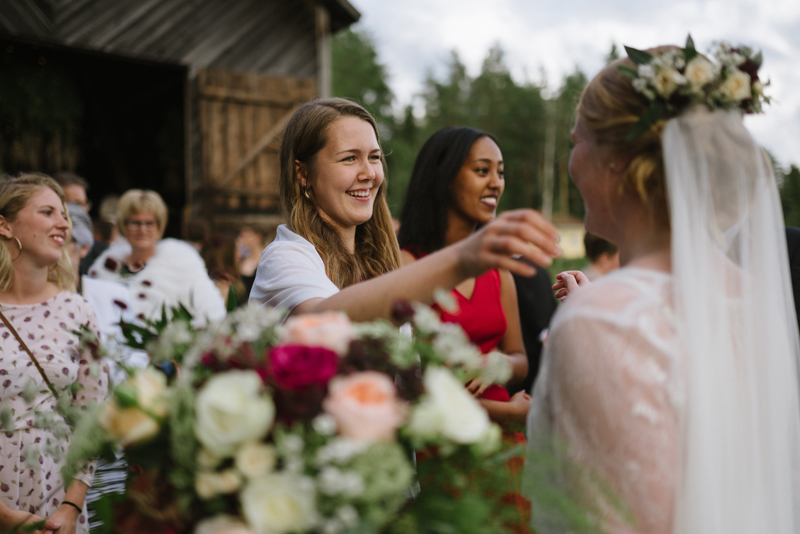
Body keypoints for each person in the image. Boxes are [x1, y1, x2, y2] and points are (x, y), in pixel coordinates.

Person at [524, 42, 800, 533]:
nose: (572, 161)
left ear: (616, 160)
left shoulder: (601, 320)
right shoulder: (755, 302)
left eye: (576, 141)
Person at [250, 98, 561, 323]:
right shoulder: (287, 256)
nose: (369, 173)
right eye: (349, 158)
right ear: (302, 173)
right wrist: (461, 258)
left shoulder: (381, 263)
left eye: (373, 157)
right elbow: (325, 321)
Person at [398, 126, 530, 424]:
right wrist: (508, 413)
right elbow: (411, 386)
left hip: (503, 446)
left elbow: (520, 359)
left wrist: (496, 363)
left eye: (501, 173)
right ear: (444, 178)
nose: (496, 183)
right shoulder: (406, 266)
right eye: (483, 171)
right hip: (441, 439)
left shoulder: (497, 269)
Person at [0, 173, 109, 534]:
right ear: (4, 224)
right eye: (48, 212)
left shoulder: (78, 311)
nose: (64, 223)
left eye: (64, 214)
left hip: (55, 498)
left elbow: (91, 421)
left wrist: (70, 507)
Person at [89, 189, 225, 327]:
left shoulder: (182, 261)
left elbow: (209, 311)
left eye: (149, 223)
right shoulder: (106, 266)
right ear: (124, 225)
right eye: (135, 223)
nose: (142, 230)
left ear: (159, 226)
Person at [202, 232, 245, 309]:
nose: (240, 254)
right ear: (227, 254)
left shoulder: (218, 279)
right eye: (237, 249)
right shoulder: (223, 283)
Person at [236, 224, 274, 300]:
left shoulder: (266, 258)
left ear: (258, 237)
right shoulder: (241, 259)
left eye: (246, 236)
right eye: (241, 236)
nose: (243, 239)